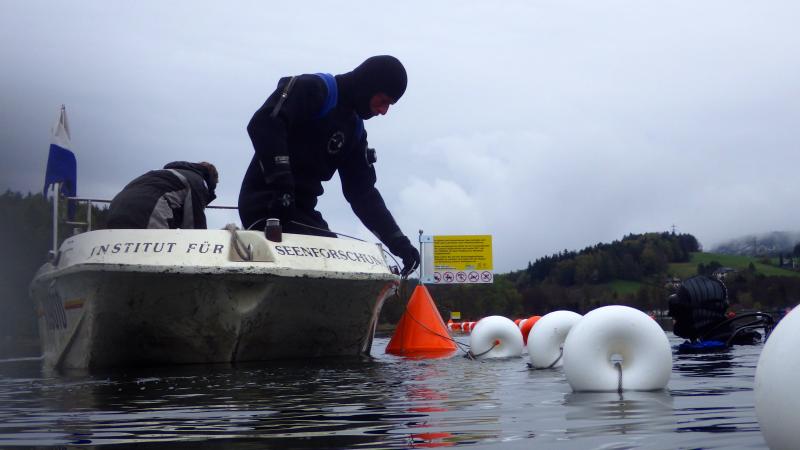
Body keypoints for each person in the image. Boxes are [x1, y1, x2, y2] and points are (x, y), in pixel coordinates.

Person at [238, 55, 420, 277]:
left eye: (389, 106)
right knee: (332, 270)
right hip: (266, 205)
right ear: (368, 86)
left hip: (302, 212)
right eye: (383, 101)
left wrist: (398, 241)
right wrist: (282, 185)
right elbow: (264, 123)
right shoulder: (316, 90)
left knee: (342, 268)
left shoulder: (355, 131)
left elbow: (362, 193)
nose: (384, 111)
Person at [107, 161, 218, 229]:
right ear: (210, 182)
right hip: (150, 209)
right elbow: (194, 224)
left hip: (116, 207)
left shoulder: (163, 173)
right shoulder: (198, 181)